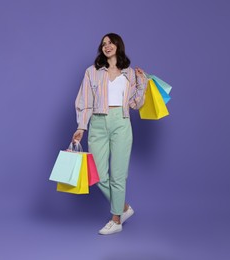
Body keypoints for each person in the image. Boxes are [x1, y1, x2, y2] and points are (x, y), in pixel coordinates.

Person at [72, 33, 147, 235]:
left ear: (118, 46)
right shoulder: (92, 72)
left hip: (121, 123)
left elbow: (135, 104)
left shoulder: (129, 74)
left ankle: (116, 220)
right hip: (97, 122)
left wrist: (142, 83)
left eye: (111, 42)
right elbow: (84, 101)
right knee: (97, 174)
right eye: (104, 43)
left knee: (118, 175)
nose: (107, 46)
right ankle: (123, 208)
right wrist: (81, 128)